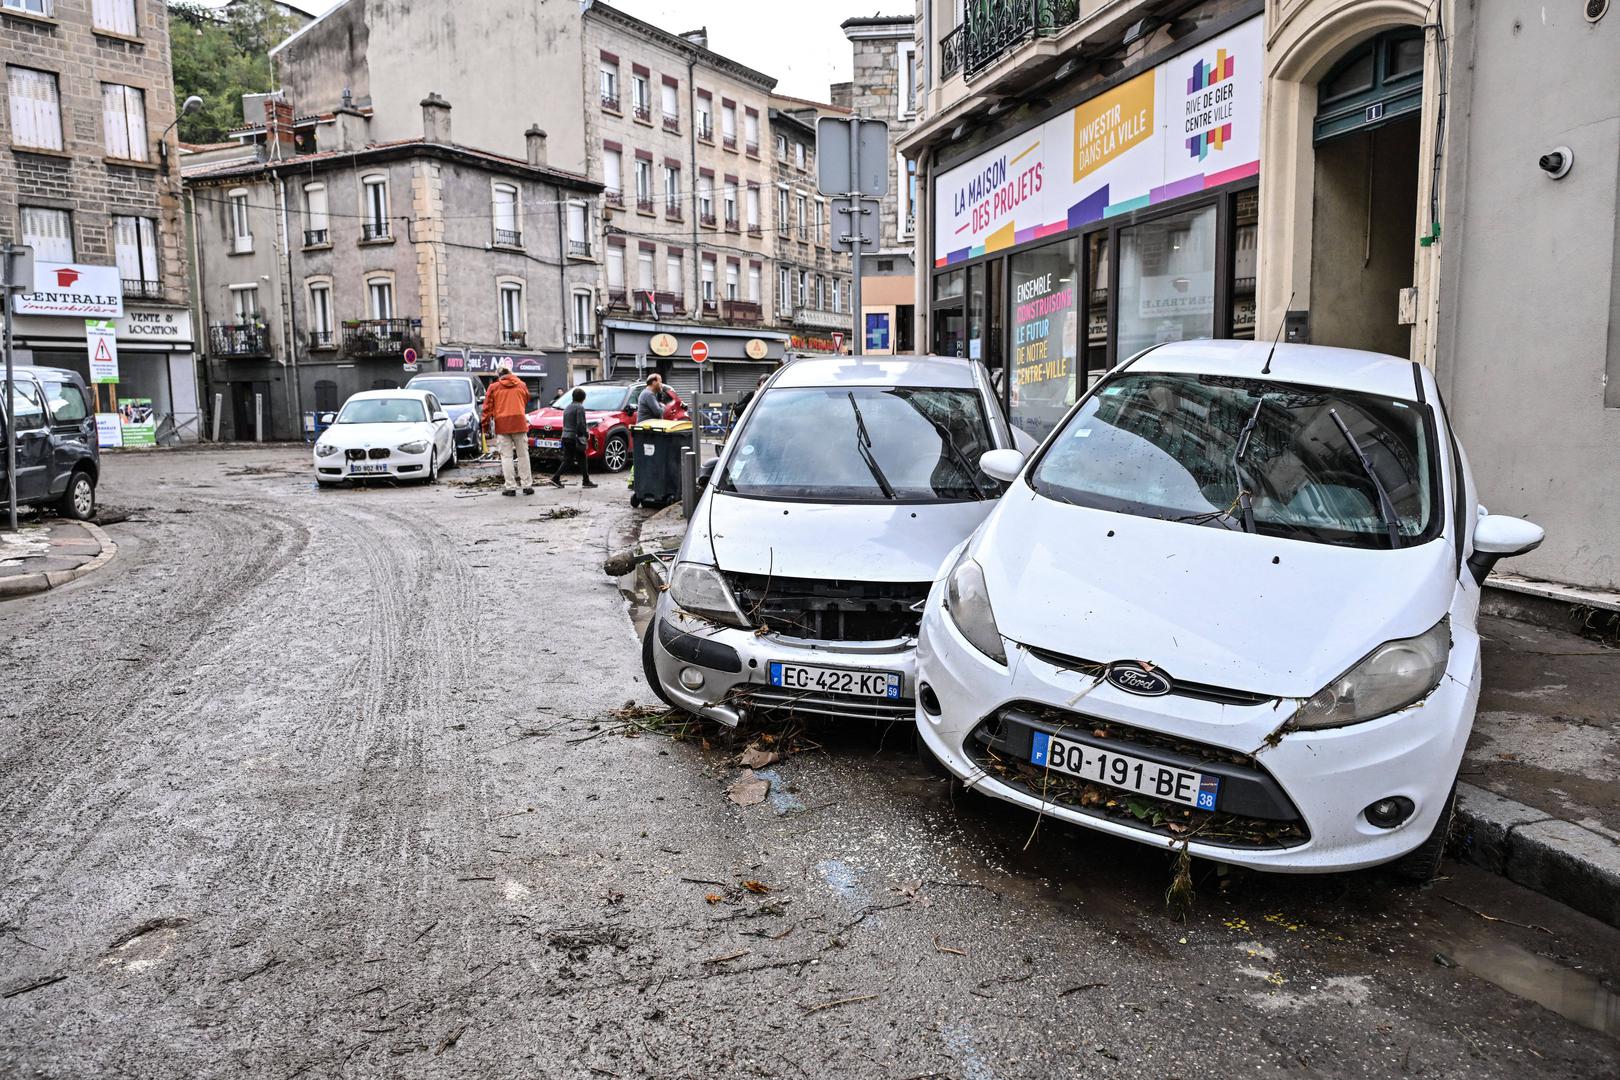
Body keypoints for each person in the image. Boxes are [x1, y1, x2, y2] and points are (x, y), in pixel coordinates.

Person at [482, 366, 533, 496]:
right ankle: (527, 485)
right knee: (523, 455)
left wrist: (485, 427)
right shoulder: (521, 385)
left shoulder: (494, 387)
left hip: (502, 425)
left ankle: (510, 487)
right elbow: (527, 399)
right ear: (511, 373)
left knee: (506, 457)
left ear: (499, 376)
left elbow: (487, 409)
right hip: (519, 423)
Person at [550, 386, 597, 489]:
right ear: (583, 399)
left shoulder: (568, 407)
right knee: (582, 458)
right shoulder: (579, 407)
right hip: (574, 438)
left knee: (568, 459)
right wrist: (585, 433)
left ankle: (556, 478)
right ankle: (585, 481)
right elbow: (581, 423)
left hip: (566, 436)